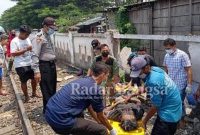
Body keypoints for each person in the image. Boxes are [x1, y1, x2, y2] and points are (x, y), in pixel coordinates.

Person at [45, 62, 117, 135]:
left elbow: (90, 107)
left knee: (81, 116)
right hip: (60, 120)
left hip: (50, 113)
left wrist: (98, 122)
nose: (106, 78)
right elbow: (100, 116)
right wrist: (111, 129)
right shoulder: (95, 89)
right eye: (107, 75)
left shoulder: (84, 80)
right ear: (102, 75)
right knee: (102, 130)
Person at [130, 57, 182, 135]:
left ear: (146, 67)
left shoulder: (154, 81)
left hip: (168, 114)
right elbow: (147, 85)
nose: (139, 75)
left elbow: (155, 106)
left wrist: (144, 121)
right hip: (175, 109)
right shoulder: (154, 69)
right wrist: (132, 95)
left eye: (139, 72)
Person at [31, 17, 57, 113]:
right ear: (45, 26)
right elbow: (34, 55)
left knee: (52, 88)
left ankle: (51, 109)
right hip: (44, 66)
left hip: (51, 65)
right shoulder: (39, 37)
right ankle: (48, 111)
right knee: (47, 89)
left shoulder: (47, 35)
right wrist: (36, 71)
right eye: (51, 27)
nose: (52, 30)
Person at [163, 38, 193, 122]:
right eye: (166, 48)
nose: (167, 50)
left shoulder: (182, 55)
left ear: (174, 46)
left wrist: (189, 85)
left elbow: (189, 70)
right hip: (170, 84)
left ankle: (181, 121)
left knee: (178, 103)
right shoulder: (167, 56)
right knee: (171, 102)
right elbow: (166, 69)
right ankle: (174, 119)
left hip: (180, 85)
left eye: (168, 48)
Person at [11, 25, 40, 102]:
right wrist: (26, 49)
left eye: (28, 35)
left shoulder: (27, 39)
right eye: (26, 34)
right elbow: (13, 53)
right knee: (24, 81)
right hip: (20, 64)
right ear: (21, 32)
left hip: (30, 62)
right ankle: (26, 97)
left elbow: (31, 49)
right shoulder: (14, 41)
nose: (27, 36)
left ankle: (34, 93)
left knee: (34, 79)